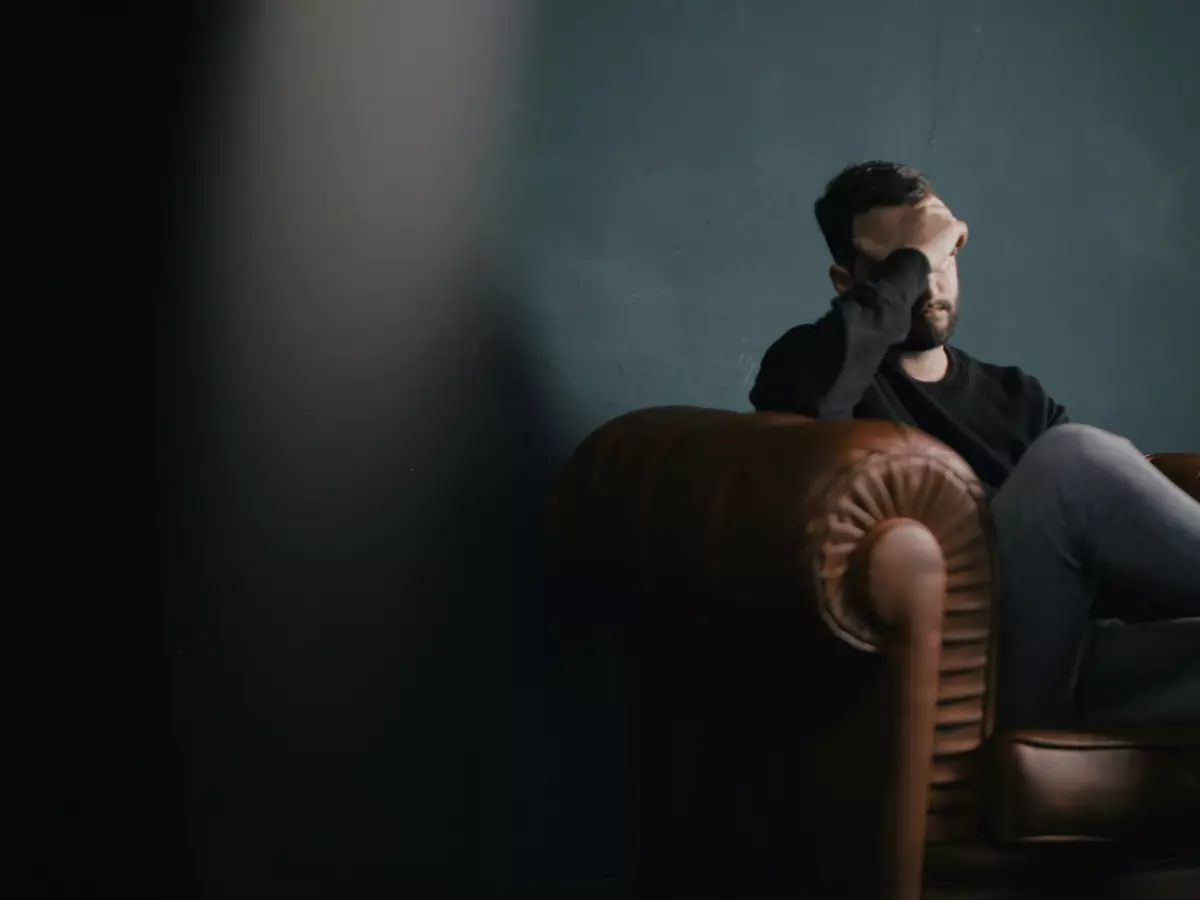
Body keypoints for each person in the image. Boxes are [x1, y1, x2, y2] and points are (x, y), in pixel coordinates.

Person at [750, 160, 1200, 727]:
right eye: (906, 265)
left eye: (944, 259)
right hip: (965, 673)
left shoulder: (1017, 396)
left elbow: (1114, 556)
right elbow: (811, 400)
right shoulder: (812, 367)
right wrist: (913, 258)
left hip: (1073, 663)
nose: (931, 284)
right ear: (849, 283)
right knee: (1070, 458)